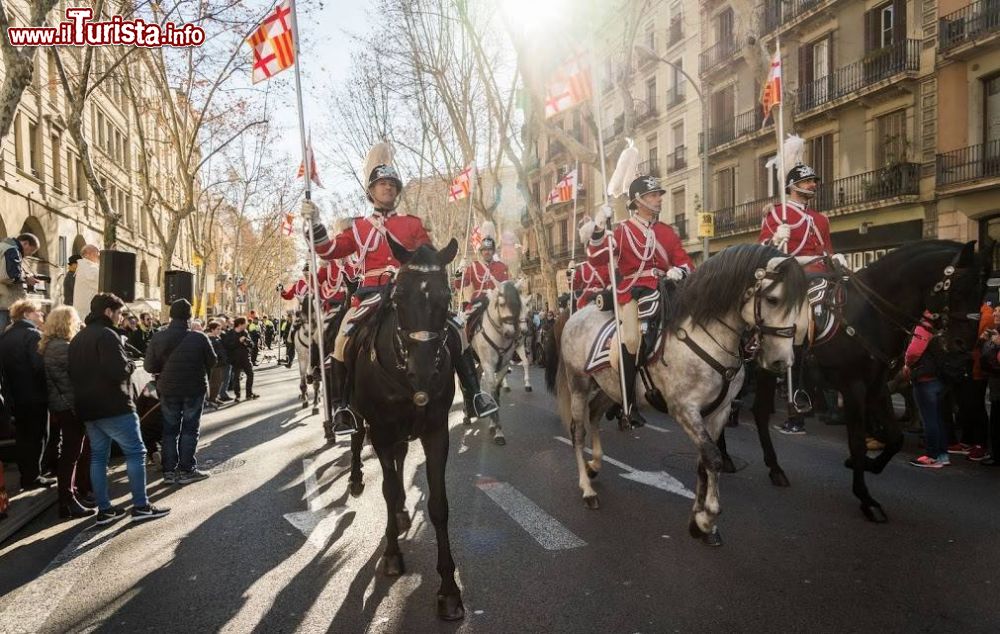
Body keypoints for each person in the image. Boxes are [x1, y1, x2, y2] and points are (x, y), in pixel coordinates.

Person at [305, 158, 497, 436]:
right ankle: (341, 407)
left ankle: (475, 395)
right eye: (382, 184)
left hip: (407, 293)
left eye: (392, 185)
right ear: (371, 191)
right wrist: (314, 225)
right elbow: (328, 249)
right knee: (341, 339)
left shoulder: (411, 225)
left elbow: (430, 258)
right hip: (370, 294)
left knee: (456, 328)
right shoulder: (357, 227)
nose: (388, 189)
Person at [585, 175, 694, 428]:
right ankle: (628, 403)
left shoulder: (665, 232)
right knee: (632, 338)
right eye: (654, 195)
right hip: (632, 291)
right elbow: (596, 258)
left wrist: (681, 271)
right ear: (639, 200)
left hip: (666, 288)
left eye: (658, 195)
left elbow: (685, 260)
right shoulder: (622, 231)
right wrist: (600, 228)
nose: (659, 199)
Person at [69, 293, 170, 524]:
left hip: (88, 408)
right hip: (114, 406)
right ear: (108, 312)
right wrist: (128, 361)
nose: (120, 317)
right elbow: (120, 371)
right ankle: (141, 505)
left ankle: (104, 510)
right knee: (135, 453)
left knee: (98, 458)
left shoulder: (78, 338)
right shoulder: (108, 335)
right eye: (119, 313)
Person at [756, 163, 840, 436]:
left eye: (814, 181)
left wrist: (834, 259)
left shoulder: (821, 219)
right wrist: (776, 240)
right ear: (792, 186)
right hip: (793, 276)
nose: (813, 185)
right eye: (807, 182)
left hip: (822, 275)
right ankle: (795, 403)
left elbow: (826, 250)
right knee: (799, 328)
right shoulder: (777, 215)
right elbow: (762, 252)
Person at [144, 299, 216, 484]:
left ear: (171, 316)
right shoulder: (199, 338)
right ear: (189, 317)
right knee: (190, 429)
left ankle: (169, 472)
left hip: (168, 389)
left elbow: (149, 366)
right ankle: (186, 470)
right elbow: (213, 361)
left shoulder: (158, 337)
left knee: (169, 430)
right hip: (194, 388)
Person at [40, 305, 94, 517]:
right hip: (69, 405)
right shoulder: (61, 347)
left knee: (71, 452)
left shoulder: (52, 345)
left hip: (62, 404)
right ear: (67, 323)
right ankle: (67, 500)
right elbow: (79, 375)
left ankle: (70, 497)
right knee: (71, 454)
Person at [0, 299, 53, 490]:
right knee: (38, 436)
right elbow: (39, 367)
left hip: (14, 396)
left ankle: (27, 476)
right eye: (38, 312)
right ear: (27, 314)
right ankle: (33, 476)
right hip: (35, 396)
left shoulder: (5, 336)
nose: (42, 315)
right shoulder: (33, 335)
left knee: (23, 437)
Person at [905, 312, 950, 468]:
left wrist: (906, 364)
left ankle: (932, 456)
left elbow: (914, 352)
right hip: (938, 379)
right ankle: (943, 454)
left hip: (925, 379)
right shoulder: (940, 328)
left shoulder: (924, 327)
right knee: (938, 419)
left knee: (929, 420)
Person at [460, 222, 510, 320]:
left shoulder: (502, 266)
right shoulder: (474, 266)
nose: (487, 252)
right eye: (484, 250)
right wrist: (460, 269)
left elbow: (506, 287)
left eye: (490, 249)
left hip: (496, 302)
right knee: (464, 322)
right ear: (481, 252)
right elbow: (459, 284)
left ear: (493, 251)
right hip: (477, 302)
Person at [0, 233, 41, 332]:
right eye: (31, 250)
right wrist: (27, 278)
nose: (29, 254)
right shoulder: (12, 250)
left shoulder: (3, 246)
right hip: (4, 302)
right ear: (25, 243)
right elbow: (9, 276)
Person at [223, 316, 257, 401]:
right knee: (236, 378)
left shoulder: (245, 332)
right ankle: (237, 396)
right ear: (240, 324)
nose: (246, 325)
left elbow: (252, 344)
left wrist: (247, 342)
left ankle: (249, 393)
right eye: (245, 323)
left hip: (245, 358)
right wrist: (238, 341)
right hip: (235, 359)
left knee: (250, 374)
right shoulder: (230, 333)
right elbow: (228, 346)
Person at [72, 244, 100, 321]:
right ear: (88, 254)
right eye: (97, 252)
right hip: (87, 312)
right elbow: (101, 281)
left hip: (87, 311)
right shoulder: (87, 266)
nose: (99, 255)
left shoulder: (88, 266)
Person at [206, 320, 229, 407]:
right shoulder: (209, 339)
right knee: (214, 382)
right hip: (215, 364)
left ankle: (215, 397)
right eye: (217, 329)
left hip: (221, 363)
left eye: (220, 329)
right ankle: (212, 399)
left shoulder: (218, 338)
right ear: (212, 330)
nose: (220, 331)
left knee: (219, 381)